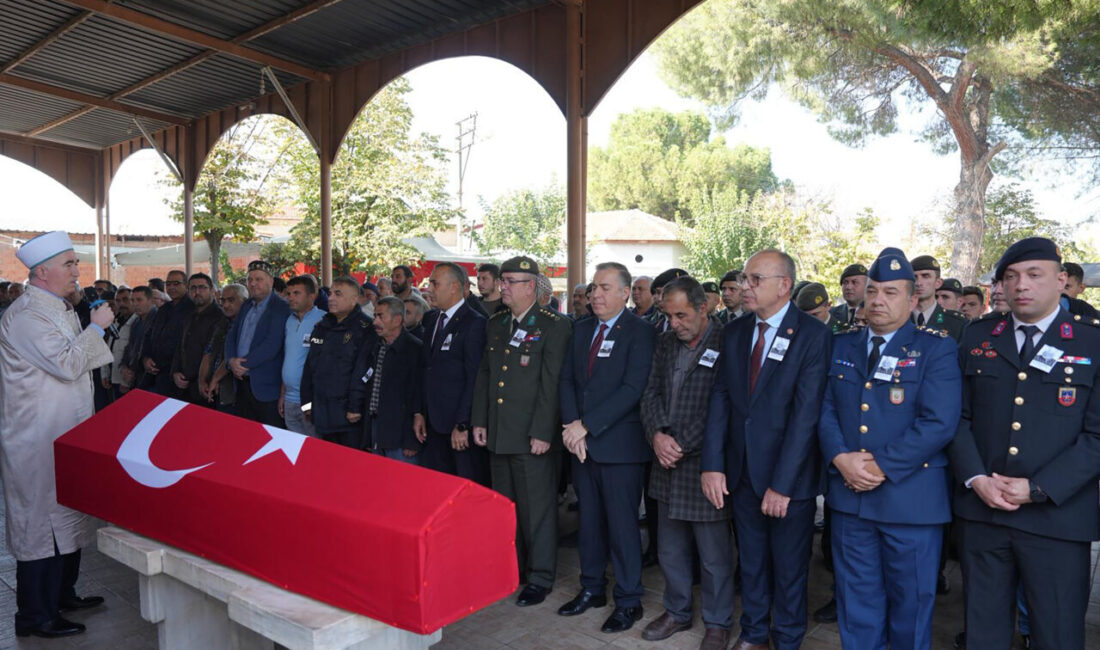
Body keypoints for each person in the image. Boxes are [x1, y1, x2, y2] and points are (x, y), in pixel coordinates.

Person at [950, 238, 1100, 650]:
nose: (1021, 285)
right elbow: (957, 418)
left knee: (1057, 634)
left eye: (1035, 274)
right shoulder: (978, 335)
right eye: (1011, 276)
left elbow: (1097, 436)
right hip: (984, 513)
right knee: (983, 633)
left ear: (1061, 280)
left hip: (1057, 519)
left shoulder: (1091, 342)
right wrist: (976, 478)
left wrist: (1037, 488)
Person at [819, 247, 961, 650]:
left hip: (910, 502)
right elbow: (824, 408)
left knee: (910, 606)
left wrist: (878, 466)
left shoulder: (936, 348)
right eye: (873, 290)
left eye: (891, 292)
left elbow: (938, 422)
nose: (878, 299)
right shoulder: (841, 345)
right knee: (856, 603)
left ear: (913, 300)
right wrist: (840, 457)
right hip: (850, 501)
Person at [701, 249, 830, 650]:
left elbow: (806, 416)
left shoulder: (813, 335)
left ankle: (787, 638)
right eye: (745, 278)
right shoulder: (736, 331)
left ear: (784, 285)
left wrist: (782, 484)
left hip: (789, 479)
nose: (745, 286)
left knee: (789, 568)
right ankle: (754, 634)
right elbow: (721, 398)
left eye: (755, 279)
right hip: (741, 472)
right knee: (752, 562)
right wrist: (712, 464)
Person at [0, 232, 113, 639]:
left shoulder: (59, 307)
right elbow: (67, 364)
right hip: (37, 436)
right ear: (42, 272)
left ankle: (63, 595)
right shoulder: (27, 316)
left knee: (68, 513)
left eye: (75, 263)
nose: (77, 270)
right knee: (40, 525)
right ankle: (35, 615)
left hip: (66, 429)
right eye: (69, 264)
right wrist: (97, 329)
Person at [558, 262, 655, 633]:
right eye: (593, 287)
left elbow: (633, 389)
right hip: (581, 445)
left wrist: (586, 425)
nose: (595, 294)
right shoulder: (581, 329)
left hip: (620, 449)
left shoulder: (640, 332)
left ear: (625, 293)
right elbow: (567, 381)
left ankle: (629, 600)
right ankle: (592, 588)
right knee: (589, 524)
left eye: (604, 288)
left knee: (622, 527)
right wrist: (572, 427)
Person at [472, 256, 572, 607]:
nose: (503, 287)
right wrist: (480, 420)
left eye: (510, 281)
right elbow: (487, 374)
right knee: (506, 508)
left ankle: (540, 576)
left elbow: (551, 383)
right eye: (503, 281)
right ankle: (511, 569)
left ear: (531, 286)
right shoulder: (497, 322)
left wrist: (543, 432)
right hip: (500, 432)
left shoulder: (553, 325)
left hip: (532, 435)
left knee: (537, 511)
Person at [639, 277, 732, 650]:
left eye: (682, 315)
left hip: (704, 464)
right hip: (666, 461)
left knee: (713, 555)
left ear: (703, 308)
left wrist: (681, 443)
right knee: (670, 548)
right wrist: (657, 435)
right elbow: (650, 393)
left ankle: (718, 622)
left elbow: (723, 407)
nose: (674, 323)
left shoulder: (727, 342)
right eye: (669, 315)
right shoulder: (664, 342)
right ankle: (677, 611)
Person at [417, 263, 489, 484]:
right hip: (432, 424)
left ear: (454, 287)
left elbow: (474, 378)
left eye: (435, 283)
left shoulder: (475, 323)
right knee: (437, 486)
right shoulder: (431, 320)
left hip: (458, 427)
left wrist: (463, 424)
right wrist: (419, 412)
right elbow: (426, 369)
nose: (429, 289)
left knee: (463, 487)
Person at [299, 276, 376, 448]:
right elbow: (310, 368)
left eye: (338, 294)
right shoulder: (322, 327)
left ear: (354, 299)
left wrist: (354, 407)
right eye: (330, 293)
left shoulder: (365, 328)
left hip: (348, 418)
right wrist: (307, 404)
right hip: (321, 413)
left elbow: (362, 371)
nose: (331, 298)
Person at [225, 261, 291, 426]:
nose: (253, 283)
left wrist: (242, 365)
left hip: (267, 387)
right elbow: (232, 335)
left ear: (271, 281)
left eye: (259, 279)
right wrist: (231, 361)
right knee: (246, 433)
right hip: (241, 383)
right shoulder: (247, 305)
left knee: (270, 434)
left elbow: (272, 344)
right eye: (250, 279)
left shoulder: (281, 307)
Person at [362, 296, 424, 462]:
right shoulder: (377, 345)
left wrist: (411, 440)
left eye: (381, 316)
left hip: (401, 434)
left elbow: (417, 396)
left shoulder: (414, 349)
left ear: (397, 320)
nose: (375, 322)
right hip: (377, 426)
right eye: (375, 316)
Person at [171, 273, 225, 405]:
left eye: (202, 287)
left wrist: (205, 380)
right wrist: (175, 371)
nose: (197, 292)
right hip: (184, 384)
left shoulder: (221, 317)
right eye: (193, 288)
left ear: (212, 290)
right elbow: (180, 346)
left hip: (206, 387)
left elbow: (214, 353)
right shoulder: (188, 316)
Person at [280, 275, 324, 436]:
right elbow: (288, 358)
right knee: (294, 447)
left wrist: (313, 402)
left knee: (313, 447)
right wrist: (283, 395)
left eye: (296, 293)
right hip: (289, 399)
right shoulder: (289, 321)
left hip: (310, 400)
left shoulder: (323, 320)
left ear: (311, 296)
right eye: (289, 293)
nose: (290, 297)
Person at [140, 269, 194, 395]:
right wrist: (146, 357)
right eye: (168, 284)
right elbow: (149, 335)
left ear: (186, 285)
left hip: (178, 375)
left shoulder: (193, 309)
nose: (171, 287)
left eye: (176, 284)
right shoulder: (163, 309)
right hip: (155, 371)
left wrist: (176, 369)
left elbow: (190, 345)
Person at [199, 283, 247, 413]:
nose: (225, 305)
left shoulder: (247, 325)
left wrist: (215, 379)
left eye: (231, 300)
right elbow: (208, 352)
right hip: (213, 389)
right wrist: (202, 381)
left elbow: (233, 357)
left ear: (244, 301)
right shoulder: (222, 322)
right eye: (223, 300)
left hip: (234, 392)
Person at [910, 255, 967, 341]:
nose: (918, 283)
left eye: (925, 276)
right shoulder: (898, 319)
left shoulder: (957, 323)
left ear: (938, 283)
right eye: (914, 277)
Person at [120, 286, 157, 392]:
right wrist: (125, 367)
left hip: (151, 378)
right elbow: (130, 347)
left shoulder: (158, 320)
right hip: (136, 377)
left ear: (151, 300)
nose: (135, 304)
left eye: (139, 300)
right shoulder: (136, 322)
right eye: (132, 300)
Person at [830, 263, 868, 328]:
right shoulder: (831, 314)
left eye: (854, 282)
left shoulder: (877, 313)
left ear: (867, 286)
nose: (848, 287)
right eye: (845, 282)